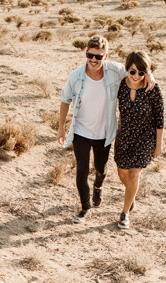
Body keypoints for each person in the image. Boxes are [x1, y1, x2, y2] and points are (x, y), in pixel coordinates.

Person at [57, 36, 154, 224]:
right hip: (80, 132)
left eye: (98, 57)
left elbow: (135, 70)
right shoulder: (76, 76)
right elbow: (65, 99)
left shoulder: (114, 71)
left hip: (104, 133)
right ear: (86, 53)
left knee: (100, 169)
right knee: (82, 171)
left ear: (106, 56)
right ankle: (85, 208)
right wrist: (61, 128)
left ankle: (98, 186)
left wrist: (149, 75)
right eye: (90, 55)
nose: (93, 60)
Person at [114, 50, 164, 229]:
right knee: (122, 172)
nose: (136, 76)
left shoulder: (152, 88)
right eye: (133, 71)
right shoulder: (120, 84)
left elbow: (160, 117)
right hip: (124, 136)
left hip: (145, 137)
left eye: (141, 72)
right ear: (127, 69)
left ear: (147, 72)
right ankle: (131, 193)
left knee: (134, 173)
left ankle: (125, 213)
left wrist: (158, 144)